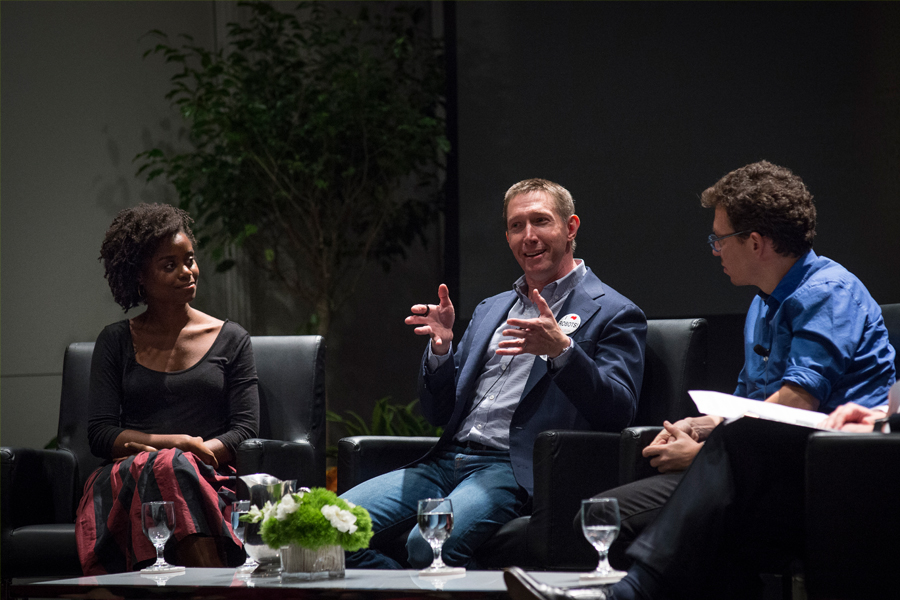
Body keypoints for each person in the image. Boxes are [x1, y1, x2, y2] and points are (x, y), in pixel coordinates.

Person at [581, 160, 896, 570]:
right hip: (765, 463)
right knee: (602, 512)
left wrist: (703, 453)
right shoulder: (761, 305)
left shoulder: (827, 292)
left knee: (617, 520)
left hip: (830, 475)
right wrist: (701, 426)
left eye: (719, 238)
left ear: (755, 242)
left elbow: (797, 405)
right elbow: (752, 403)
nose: (715, 250)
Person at [341, 178, 647, 569]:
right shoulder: (492, 308)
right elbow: (438, 412)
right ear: (507, 236)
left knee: (426, 544)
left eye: (541, 221)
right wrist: (441, 349)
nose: (529, 236)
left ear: (570, 228)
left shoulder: (613, 312)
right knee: (324, 528)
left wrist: (562, 352)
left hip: (510, 467)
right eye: (517, 226)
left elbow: (618, 412)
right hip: (444, 461)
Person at [75, 203, 260, 574]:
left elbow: (245, 429)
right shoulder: (115, 341)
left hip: (207, 476)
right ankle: (214, 587)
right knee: (164, 464)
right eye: (169, 265)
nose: (187, 272)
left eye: (189, 260)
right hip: (125, 481)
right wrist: (176, 445)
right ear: (140, 277)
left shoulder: (232, 339)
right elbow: (101, 433)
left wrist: (193, 455)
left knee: (171, 466)